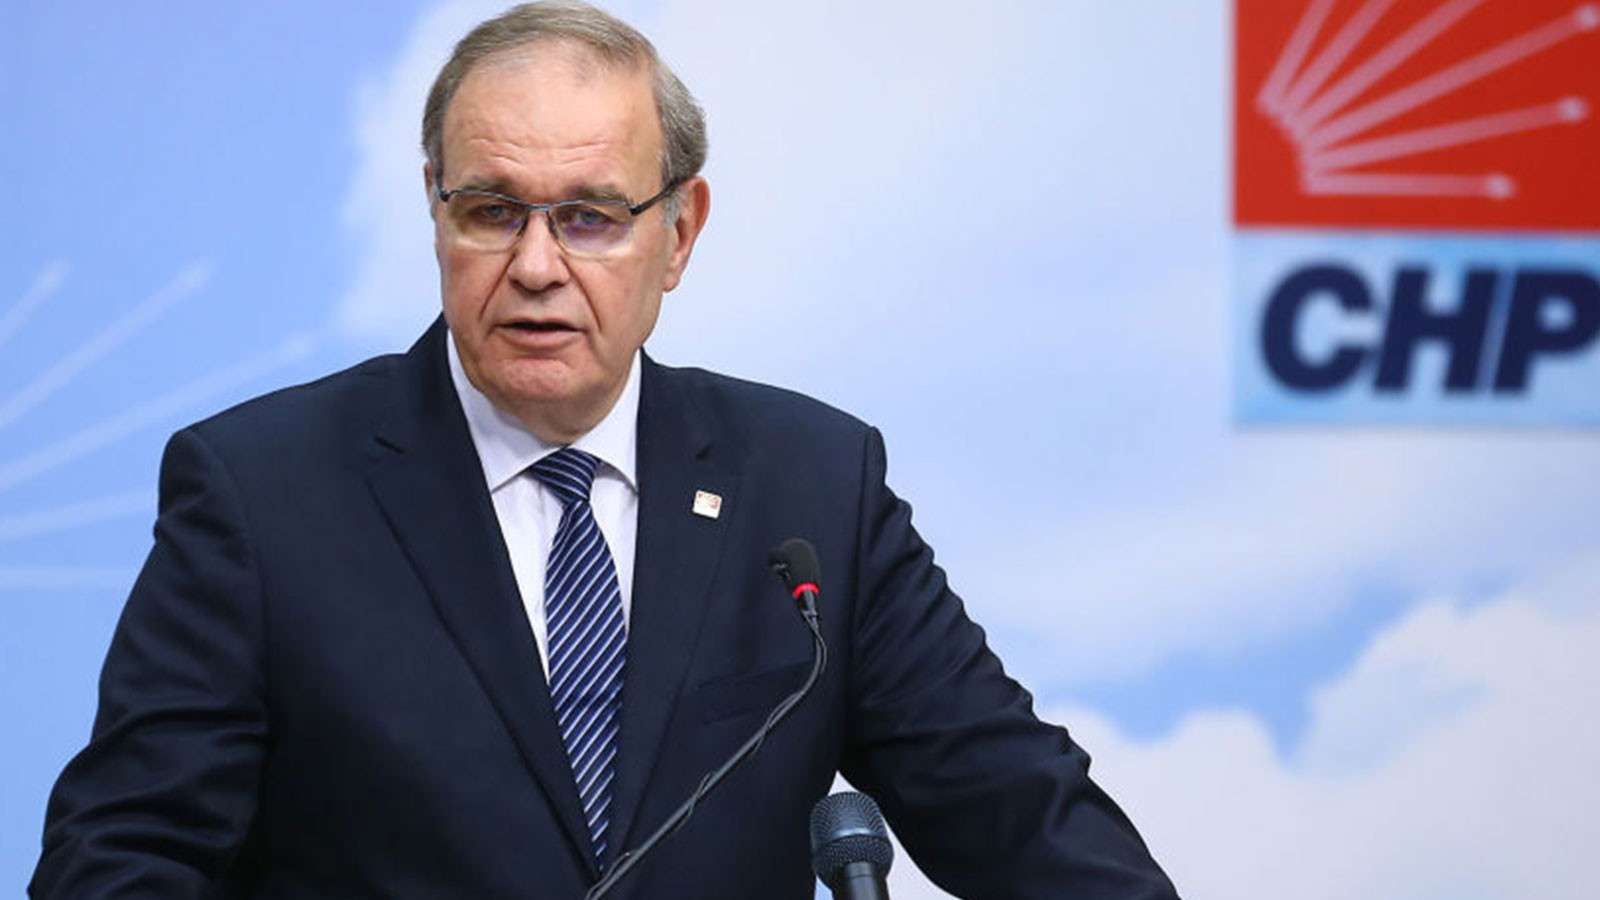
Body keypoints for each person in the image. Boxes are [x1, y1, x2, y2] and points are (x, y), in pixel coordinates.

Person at [31, 3, 1179, 898]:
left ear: (679, 233)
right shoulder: (262, 493)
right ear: (435, 210)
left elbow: (1025, 821)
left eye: (588, 217)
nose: (536, 266)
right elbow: (121, 863)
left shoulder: (812, 486)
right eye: (492, 211)